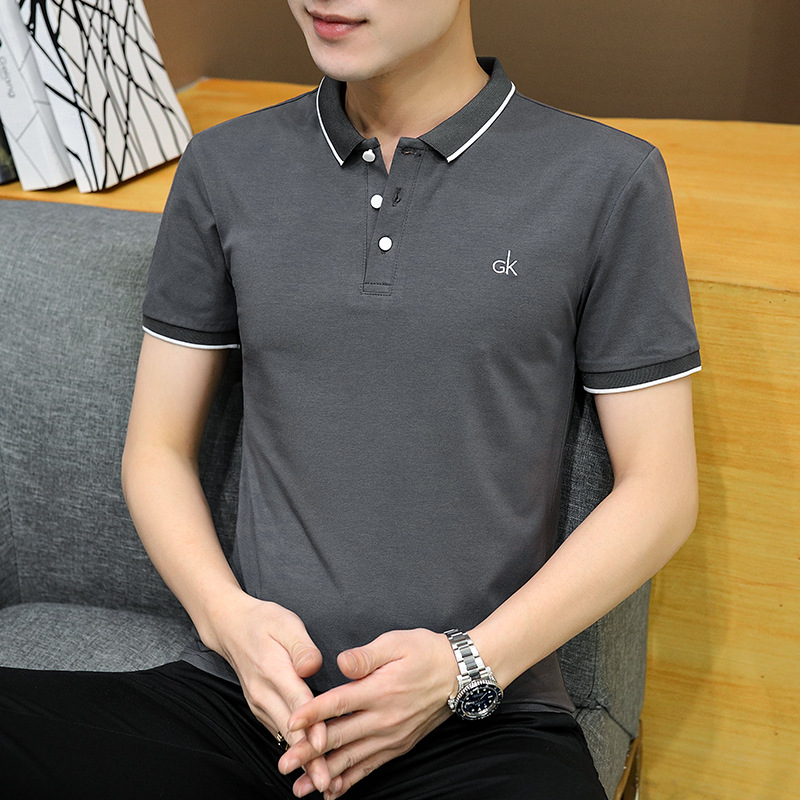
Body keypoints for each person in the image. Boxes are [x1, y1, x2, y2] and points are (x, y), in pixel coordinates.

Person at [0, 2, 701, 798]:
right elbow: (156, 447)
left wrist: (464, 666)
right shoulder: (227, 166)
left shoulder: (607, 179)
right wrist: (229, 622)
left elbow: (661, 489)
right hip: (246, 707)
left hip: (480, 724)